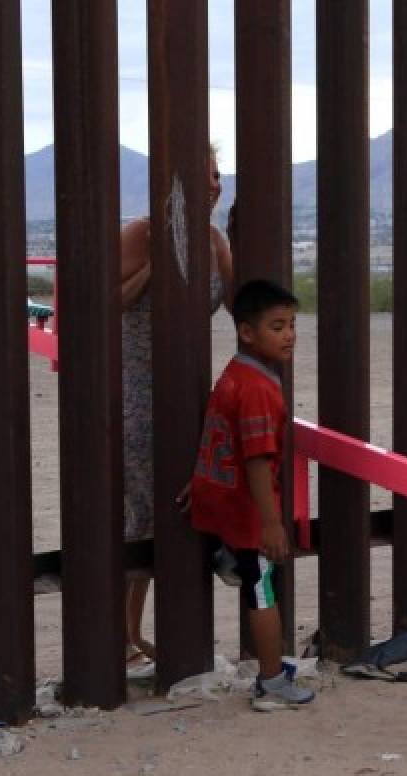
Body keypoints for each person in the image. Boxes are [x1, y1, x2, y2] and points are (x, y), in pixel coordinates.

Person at [118, 147, 234, 668]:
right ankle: (124, 636)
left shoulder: (214, 241)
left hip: (188, 388)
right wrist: (158, 260)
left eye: (216, 175)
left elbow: (237, 304)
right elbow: (110, 300)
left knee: (180, 505)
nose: (213, 183)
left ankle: (170, 633)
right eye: (203, 174)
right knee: (140, 507)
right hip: (138, 389)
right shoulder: (139, 232)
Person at [182, 278, 314, 711]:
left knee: (251, 575)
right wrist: (272, 523)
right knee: (263, 590)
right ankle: (271, 682)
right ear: (246, 331)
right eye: (277, 327)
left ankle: (230, 558)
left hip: (216, 495)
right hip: (246, 510)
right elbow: (257, 459)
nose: (290, 335)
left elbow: (217, 436)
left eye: (292, 324)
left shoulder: (234, 374)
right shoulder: (260, 388)